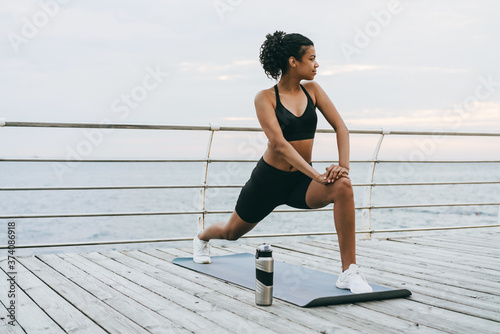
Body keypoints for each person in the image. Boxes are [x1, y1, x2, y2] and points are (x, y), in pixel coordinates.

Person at [193, 31, 372, 294]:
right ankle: (202, 237)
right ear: (292, 62)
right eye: (311, 58)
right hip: (268, 182)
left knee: (343, 186)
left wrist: (342, 167)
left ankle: (349, 272)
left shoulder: (313, 91)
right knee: (231, 233)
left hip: (300, 182)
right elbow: (279, 144)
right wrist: (317, 175)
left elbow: (341, 128)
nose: (316, 64)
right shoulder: (265, 98)